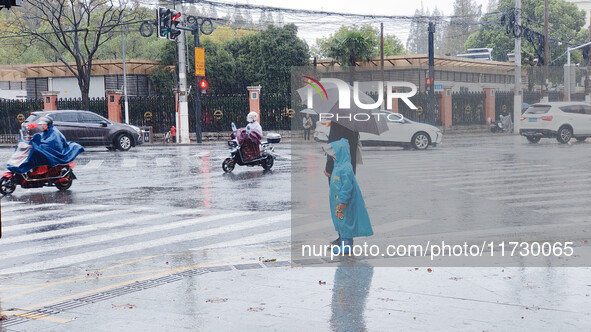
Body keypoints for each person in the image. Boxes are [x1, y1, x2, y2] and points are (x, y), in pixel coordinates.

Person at [324, 138, 373, 255]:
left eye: (335, 152)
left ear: (341, 152)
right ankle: (347, 245)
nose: (333, 155)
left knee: (345, 224)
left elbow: (347, 187)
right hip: (338, 203)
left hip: (343, 204)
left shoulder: (345, 168)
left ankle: (346, 246)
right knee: (342, 223)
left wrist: (343, 201)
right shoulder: (338, 165)